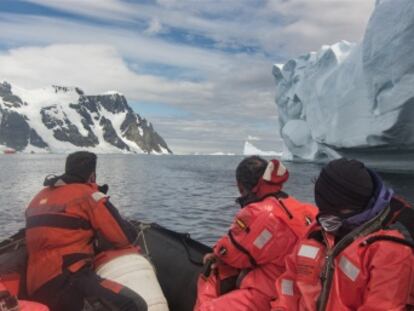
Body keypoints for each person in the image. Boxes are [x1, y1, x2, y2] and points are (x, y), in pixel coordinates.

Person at [271, 158, 414, 311]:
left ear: (348, 205)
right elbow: (289, 283)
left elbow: (382, 307)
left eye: (331, 210)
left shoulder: (391, 250)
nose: (325, 219)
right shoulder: (318, 232)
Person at [25, 151, 147, 311]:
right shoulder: (87, 195)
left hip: (33, 284)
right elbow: (124, 238)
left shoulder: (38, 197)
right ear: (92, 176)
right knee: (134, 304)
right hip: (66, 279)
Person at [194, 156, 317, 311]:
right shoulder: (302, 208)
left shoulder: (256, 213)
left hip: (274, 290)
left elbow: (231, 254)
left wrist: (215, 253)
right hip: (305, 289)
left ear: (241, 186)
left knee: (212, 275)